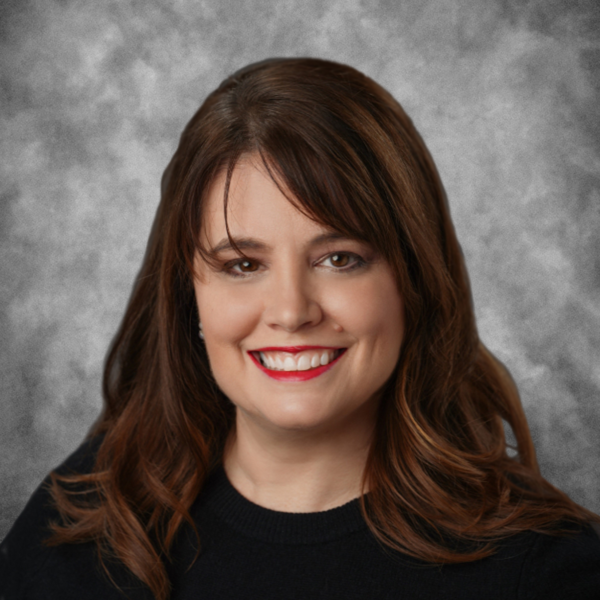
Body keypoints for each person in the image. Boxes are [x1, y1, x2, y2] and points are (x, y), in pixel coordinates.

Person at [1, 57, 599, 600]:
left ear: (412, 279)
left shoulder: (547, 569)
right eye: (242, 265)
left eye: (340, 258)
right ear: (189, 296)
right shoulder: (85, 517)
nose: (291, 311)